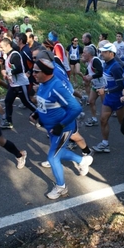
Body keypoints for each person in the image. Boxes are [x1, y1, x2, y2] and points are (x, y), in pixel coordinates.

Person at [30, 57, 93, 199]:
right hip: (52, 129)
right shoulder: (43, 84)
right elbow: (44, 103)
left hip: (63, 129)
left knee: (53, 158)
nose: (32, 73)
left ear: (45, 72)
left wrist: (61, 125)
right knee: (59, 152)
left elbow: (76, 108)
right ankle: (82, 161)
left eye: (36, 71)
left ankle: (61, 188)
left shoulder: (56, 86)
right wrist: (35, 114)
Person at [92, 43, 124, 153]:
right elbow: (108, 80)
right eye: (101, 51)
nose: (101, 54)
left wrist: (105, 90)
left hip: (118, 98)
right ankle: (105, 143)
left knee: (123, 123)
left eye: (104, 52)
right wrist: (104, 87)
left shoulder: (116, 67)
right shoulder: (105, 64)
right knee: (103, 120)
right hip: (108, 98)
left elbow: (120, 86)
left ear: (111, 53)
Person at [0, 38, 37, 129]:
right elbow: (8, 68)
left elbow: (19, 69)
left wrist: (8, 73)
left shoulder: (14, 55)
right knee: (8, 101)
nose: (1, 49)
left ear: (8, 45)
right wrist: (5, 72)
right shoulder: (8, 55)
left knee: (27, 102)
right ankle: (8, 122)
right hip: (13, 85)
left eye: (2, 47)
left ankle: (41, 115)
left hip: (21, 84)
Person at [82, 46, 105, 127]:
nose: (83, 54)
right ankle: (94, 119)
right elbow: (89, 71)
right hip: (95, 86)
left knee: (105, 104)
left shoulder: (95, 60)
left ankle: (106, 119)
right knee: (91, 101)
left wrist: (91, 77)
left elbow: (100, 72)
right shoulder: (89, 61)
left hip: (103, 86)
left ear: (89, 54)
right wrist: (85, 77)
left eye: (84, 52)